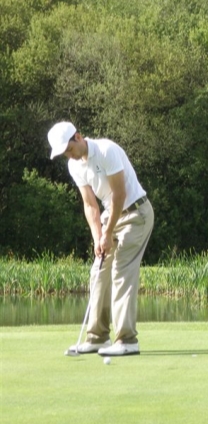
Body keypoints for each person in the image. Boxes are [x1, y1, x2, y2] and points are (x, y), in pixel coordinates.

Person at [48, 122, 154, 355]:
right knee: (98, 271)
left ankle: (127, 341)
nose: (69, 155)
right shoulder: (75, 166)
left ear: (78, 136)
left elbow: (119, 195)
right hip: (111, 217)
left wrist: (107, 233)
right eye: (64, 153)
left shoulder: (107, 150)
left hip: (137, 213)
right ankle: (97, 337)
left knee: (121, 270)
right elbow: (90, 205)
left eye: (69, 149)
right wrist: (98, 238)